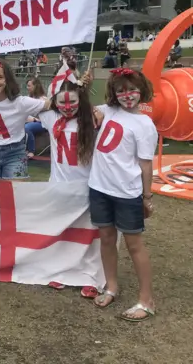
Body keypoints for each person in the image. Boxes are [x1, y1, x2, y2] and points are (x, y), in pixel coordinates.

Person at [89, 68, 158, 321]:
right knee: (106, 238)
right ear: (113, 94)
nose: (127, 95)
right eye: (121, 90)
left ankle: (146, 299)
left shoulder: (145, 124)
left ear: (142, 90)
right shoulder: (108, 111)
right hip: (99, 187)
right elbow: (88, 111)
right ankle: (111, 286)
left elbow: (145, 164)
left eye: (131, 89)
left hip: (127, 192)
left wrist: (146, 197)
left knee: (134, 245)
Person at [37, 78, 98, 298]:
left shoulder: (92, 120)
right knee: (62, 231)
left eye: (72, 101)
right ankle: (61, 271)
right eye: (61, 102)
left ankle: (90, 275)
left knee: (89, 234)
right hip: (59, 187)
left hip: (87, 187)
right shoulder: (51, 117)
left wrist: (93, 109)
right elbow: (31, 101)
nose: (67, 106)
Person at [24, 77, 47, 158]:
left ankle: (31, 151)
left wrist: (33, 119)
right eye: (27, 86)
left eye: (29, 86)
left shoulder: (43, 100)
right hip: (30, 120)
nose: (27, 88)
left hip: (41, 123)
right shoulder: (27, 98)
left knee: (26, 128)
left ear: (35, 86)